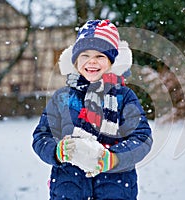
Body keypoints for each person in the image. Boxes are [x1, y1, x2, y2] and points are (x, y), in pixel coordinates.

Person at [32, 19, 152, 200]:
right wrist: (57, 151)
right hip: (69, 190)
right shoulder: (62, 98)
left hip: (115, 190)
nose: (92, 62)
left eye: (100, 56)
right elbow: (41, 135)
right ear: (75, 61)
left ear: (111, 62)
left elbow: (141, 138)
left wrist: (114, 158)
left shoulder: (124, 97)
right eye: (85, 55)